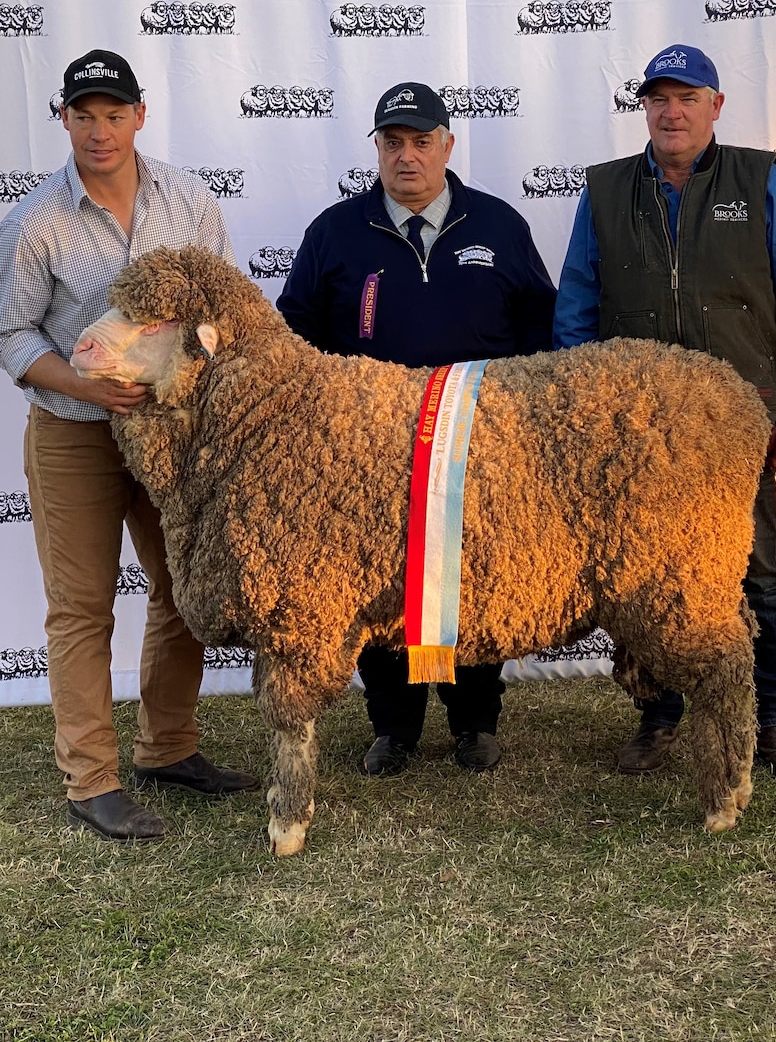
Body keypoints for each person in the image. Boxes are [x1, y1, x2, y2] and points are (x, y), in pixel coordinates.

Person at [553, 43, 776, 776]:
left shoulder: (761, 179)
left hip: (734, 430)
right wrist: (584, 409)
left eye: (687, 97)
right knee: (646, 574)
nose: (671, 111)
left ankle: (771, 718)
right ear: (643, 108)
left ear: (716, 105)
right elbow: (575, 306)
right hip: (635, 432)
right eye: (658, 98)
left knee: (758, 568)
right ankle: (659, 717)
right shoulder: (606, 191)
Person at [0, 49, 259, 843]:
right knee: (81, 608)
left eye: (115, 114)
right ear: (64, 120)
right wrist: (87, 387)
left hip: (168, 434)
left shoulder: (190, 199)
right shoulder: (35, 220)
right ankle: (92, 780)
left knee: (183, 587)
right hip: (74, 433)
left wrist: (190, 370)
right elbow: (12, 332)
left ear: (140, 116)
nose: (100, 130)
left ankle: (169, 746)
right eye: (85, 115)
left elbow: (223, 308)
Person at [277, 81, 556, 776]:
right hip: (369, 452)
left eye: (421, 141)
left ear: (447, 146)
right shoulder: (335, 232)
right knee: (379, 584)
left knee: (476, 578)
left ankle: (476, 723)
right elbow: (295, 337)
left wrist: (517, 418)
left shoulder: (498, 225)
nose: (407, 156)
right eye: (393, 142)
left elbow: (541, 326)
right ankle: (393, 728)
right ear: (376, 148)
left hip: (480, 447)